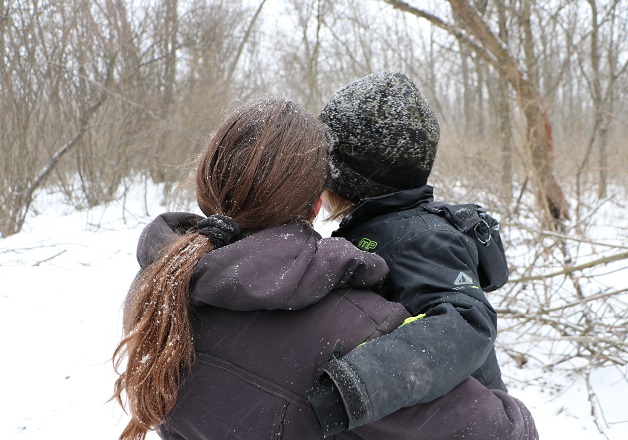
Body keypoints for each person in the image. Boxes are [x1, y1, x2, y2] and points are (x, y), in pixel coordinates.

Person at [112, 97, 538, 440]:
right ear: (317, 203)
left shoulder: (160, 286)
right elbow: (503, 431)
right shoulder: (352, 330)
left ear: (208, 185)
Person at [307, 71, 513, 434]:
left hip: (468, 423)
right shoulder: (382, 228)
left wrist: (359, 385)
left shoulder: (418, 238)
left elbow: (467, 321)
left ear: (346, 176)